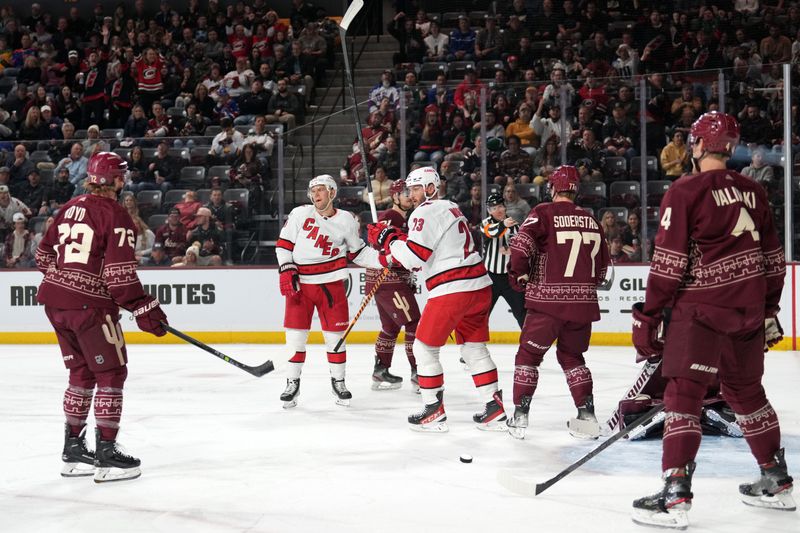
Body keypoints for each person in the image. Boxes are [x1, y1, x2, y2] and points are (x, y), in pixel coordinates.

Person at [630, 112, 795, 529]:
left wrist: (648, 316)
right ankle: (775, 478)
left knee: (684, 396)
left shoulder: (685, 190)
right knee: (747, 392)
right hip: (749, 312)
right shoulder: (755, 191)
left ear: (698, 145)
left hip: (700, 312)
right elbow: (774, 262)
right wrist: (769, 309)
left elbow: (668, 265)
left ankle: (674, 494)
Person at [34, 152, 168, 483]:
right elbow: (120, 277)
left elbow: (41, 254)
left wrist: (66, 280)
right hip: (88, 309)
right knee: (111, 373)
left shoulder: (69, 207)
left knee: (80, 372)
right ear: (116, 180)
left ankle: (74, 449)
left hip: (55, 302)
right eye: (123, 176)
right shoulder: (116, 214)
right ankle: (106, 454)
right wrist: (145, 308)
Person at [367, 167, 506, 432]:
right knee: (474, 350)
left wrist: (387, 238)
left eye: (417, 188)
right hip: (479, 286)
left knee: (423, 348)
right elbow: (424, 250)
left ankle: (433, 411)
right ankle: (494, 408)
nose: (412, 195)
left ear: (431, 188)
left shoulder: (424, 211)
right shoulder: (451, 207)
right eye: (410, 190)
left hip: (453, 288)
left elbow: (413, 258)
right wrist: (391, 244)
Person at [506, 165, 610, 440]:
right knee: (572, 357)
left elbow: (520, 245)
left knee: (528, 356)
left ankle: (520, 414)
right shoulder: (592, 221)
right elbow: (602, 270)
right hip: (583, 305)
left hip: (546, 304)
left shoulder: (543, 212)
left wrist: (518, 275)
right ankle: (587, 414)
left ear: (552, 187)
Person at [275, 175, 384, 409]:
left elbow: (358, 253)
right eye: (313, 191)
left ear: (332, 193)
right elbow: (284, 245)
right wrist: (286, 268)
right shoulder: (300, 214)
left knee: (335, 339)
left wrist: (384, 258)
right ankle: (292, 383)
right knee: (295, 339)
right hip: (300, 285)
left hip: (332, 285)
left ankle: (339, 381)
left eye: (321, 190)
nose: (316, 195)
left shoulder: (346, 220)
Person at [364, 179, 420, 392]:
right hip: (388, 279)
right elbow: (381, 245)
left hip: (388, 280)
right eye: (405, 192)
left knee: (391, 327)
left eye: (412, 191)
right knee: (414, 323)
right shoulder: (390, 217)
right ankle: (418, 373)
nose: (409, 195)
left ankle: (381, 370)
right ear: (395, 197)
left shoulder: (408, 218)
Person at [481, 193, 525, 328]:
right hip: (490, 278)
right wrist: (504, 224)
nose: (497, 210)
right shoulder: (485, 224)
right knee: (482, 314)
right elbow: (491, 232)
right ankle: (475, 346)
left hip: (510, 278)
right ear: (489, 211)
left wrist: (513, 250)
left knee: (522, 313)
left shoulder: (516, 226)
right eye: (493, 208)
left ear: (505, 207)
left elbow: (522, 248)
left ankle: (528, 345)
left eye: (500, 206)